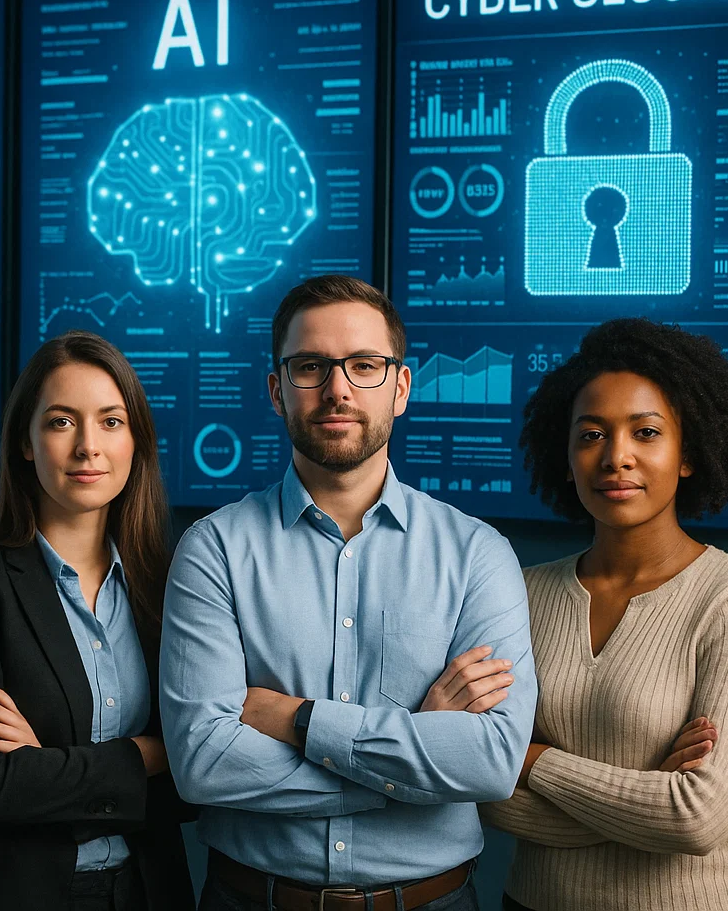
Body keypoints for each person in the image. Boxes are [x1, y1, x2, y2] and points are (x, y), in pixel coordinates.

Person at [160, 274, 536, 911]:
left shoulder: (478, 553)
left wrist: (298, 721)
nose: (337, 388)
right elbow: (203, 764)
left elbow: (493, 762)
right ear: (277, 391)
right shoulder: (213, 548)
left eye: (364, 365)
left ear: (401, 387)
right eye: (311, 366)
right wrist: (415, 755)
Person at [0, 330, 194, 911]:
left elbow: (203, 783)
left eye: (111, 422)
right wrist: (151, 754)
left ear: (137, 441)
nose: (88, 447)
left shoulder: (175, 587)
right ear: (25, 440)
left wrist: (45, 767)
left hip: (145, 892)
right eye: (62, 421)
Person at [480, 318, 728, 911]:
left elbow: (695, 818)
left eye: (646, 432)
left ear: (688, 453)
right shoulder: (519, 592)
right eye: (591, 435)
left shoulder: (723, 598)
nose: (616, 457)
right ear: (566, 458)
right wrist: (643, 805)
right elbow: (480, 790)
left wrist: (532, 758)